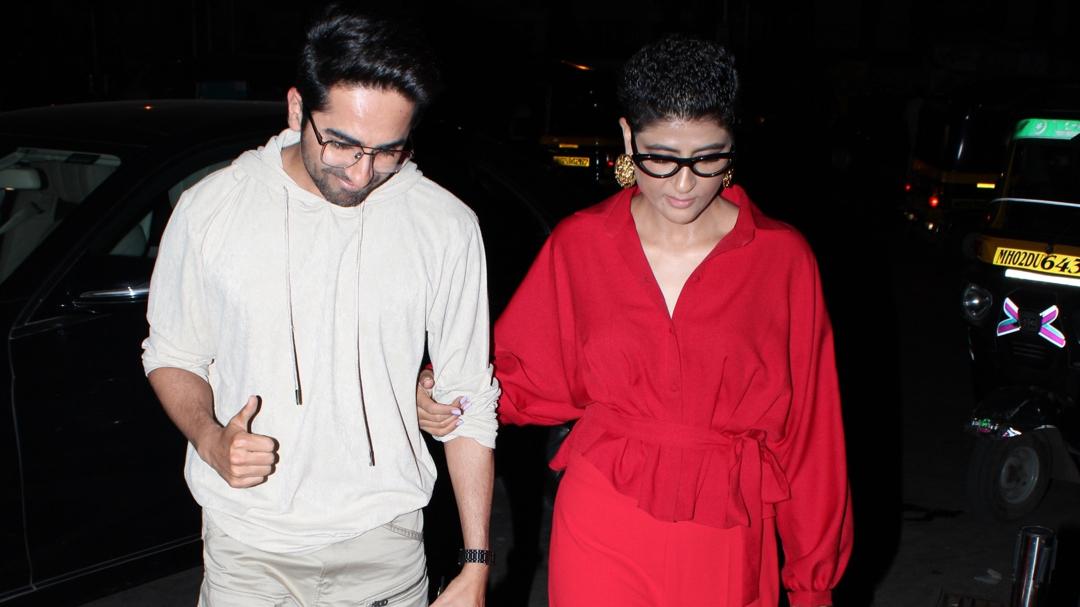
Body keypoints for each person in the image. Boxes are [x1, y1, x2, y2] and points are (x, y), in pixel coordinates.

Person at [417, 35, 853, 607]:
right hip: (602, 515)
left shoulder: (781, 257)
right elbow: (521, 374)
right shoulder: (582, 243)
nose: (684, 184)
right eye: (661, 158)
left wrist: (812, 583)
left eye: (709, 158)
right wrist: (443, 391)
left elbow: (813, 434)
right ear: (628, 137)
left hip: (728, 526)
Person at [142, 6, 498, 607]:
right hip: (249, 547)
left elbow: (470, 400)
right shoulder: (212, 208)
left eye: (388, 150)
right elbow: (172, 353)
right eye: (342, 144)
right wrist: (209, 439)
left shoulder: (445, 225)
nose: (362, 173)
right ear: (296, 109)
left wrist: (476, 562)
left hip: (387, 544)